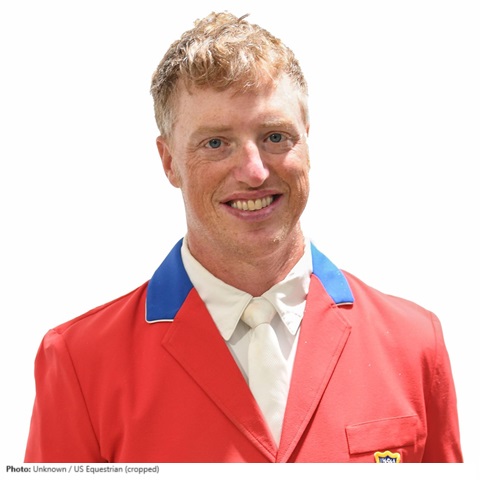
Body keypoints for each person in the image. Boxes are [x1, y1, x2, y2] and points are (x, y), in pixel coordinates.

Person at [24, 11, 462, 463]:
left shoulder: (414, 345)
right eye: (216, 143)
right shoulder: (80, 362)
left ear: (307, 142)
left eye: (275, 136)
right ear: (169, 161)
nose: (254, 172)